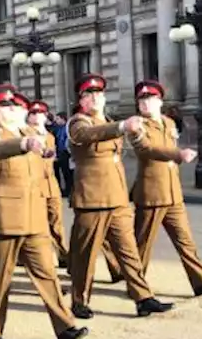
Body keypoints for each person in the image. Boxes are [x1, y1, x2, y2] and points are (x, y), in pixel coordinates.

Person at [0, 85, 88, 339]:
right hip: (5, 216)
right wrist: (23, 144)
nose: (12, 110)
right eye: (4, 106)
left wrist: (43, 153)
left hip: (34, 215)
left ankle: (64, 327)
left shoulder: (31, 133)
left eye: (15, 106)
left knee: (47, 274)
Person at [67, 73, 173, 319]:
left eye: (98, 94)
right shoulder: (78, 122)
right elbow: (87, 135)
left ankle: (143, 297)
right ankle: (79, 300)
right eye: (88, 94)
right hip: (92, 200)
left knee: (129, 252)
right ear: (81, 100)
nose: (94, 98)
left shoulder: (108, 119)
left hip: (116, 197)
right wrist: (122, 126)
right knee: (85, 255)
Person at [127, 80, 202, 298]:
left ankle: (201, 281)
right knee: (142, 245)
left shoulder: (169, 123)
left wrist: (178, 153)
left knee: (185, 241)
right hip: (151, 192)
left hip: (172, 192)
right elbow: (146, 149)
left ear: (160, 101)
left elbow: (169, 145)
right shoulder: (137, 125)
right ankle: (136, 287)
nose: (145, 104)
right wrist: (177, 155)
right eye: (142, 100)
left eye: (150, 99)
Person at [25, 100, 69, 267]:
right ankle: (31, 259)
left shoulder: (49, 136)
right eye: (33, 113)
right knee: (36, 227)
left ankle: (63, 255)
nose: (37, 117)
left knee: (56, 223)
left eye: (41, 113)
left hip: (51, 184)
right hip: (34, 186)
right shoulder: (24, 135)